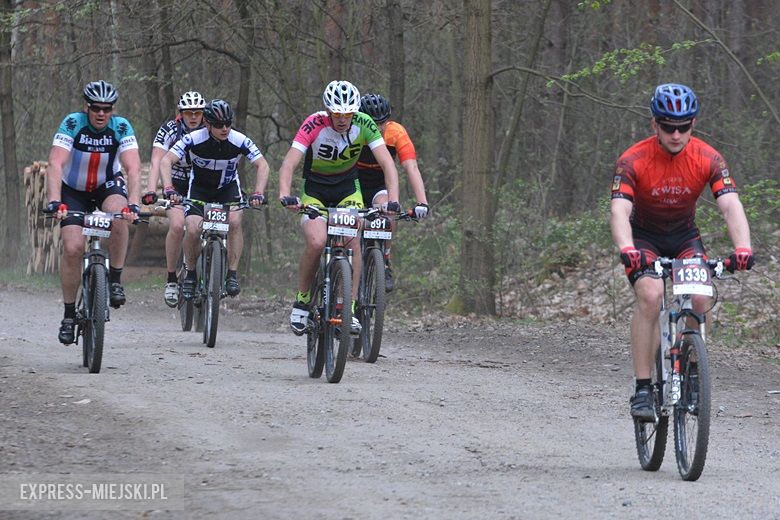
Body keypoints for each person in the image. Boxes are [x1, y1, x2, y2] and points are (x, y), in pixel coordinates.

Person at [610, 83, 754, 421]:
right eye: (668, 126)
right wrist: (627, 247)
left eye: (684, 126)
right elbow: (619, 210)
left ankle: (692, 372)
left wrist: (743, 248)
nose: (676, 134)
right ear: (654, 125)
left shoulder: (708, 157)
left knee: (700, 298)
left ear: (693, 124)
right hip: (643, 239)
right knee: (650, 294)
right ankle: (644, 387)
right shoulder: (633, 159)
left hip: (684, 237)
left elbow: (730, 206)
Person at [278, 80, 401, 336]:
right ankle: (302, 300)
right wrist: (285, 195)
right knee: (316, 241)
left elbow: (388, 165)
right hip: (315, 189)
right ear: (328, 110)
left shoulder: (364, 124)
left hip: (347, 188)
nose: (343, 119)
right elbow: (289, 162)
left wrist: (393, 201)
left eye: (348, 114)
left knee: (351, 240)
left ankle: (350, 307)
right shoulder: (314, 123)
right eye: (337, 114)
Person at [45, 80, 142, 344]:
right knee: (74, 248)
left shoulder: (120, 127)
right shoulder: (73, 123)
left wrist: (133, 204)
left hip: (106, 186)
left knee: (120, 215)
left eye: (107, 109)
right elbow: (55, 163)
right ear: (86, 107)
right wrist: (55, 201)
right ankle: (67, 315)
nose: (101, 114)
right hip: (73, 190)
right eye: (96, 108)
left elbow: (132, 168)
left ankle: (116, 279)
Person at [159, 99, 269, 299]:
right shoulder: (193, 138)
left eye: (228, 123)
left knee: (235, 221)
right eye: (219, 125)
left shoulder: (239, 139)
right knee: (192, 228)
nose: (225, 128)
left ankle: (232, 275)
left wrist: (258, 192)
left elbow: (262, 165)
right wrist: (169, 188)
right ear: (207, 124)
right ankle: (191, 274)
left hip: (227, 188)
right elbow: (166, 160)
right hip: (199, 189)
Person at [356, 93, 429, 292]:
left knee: (390, 211)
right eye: (372, 123)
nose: (378, 128)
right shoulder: (353, 130)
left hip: (379, 185)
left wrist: (422, 202)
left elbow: (411, 167)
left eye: (382, 123)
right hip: (353, 183)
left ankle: (385, 259)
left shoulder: (396, 132)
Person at [142, 91, 207, 307]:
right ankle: (171, 279)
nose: (194, 117)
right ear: (180, 114)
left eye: (198, 113)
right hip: (176, 187)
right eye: (189, 113)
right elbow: (156, 160)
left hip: (202, 186)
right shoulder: (169, 130)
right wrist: (152, 190)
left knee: (205, 227)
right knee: (178, 226)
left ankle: (208, 269)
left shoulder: (211, 129)